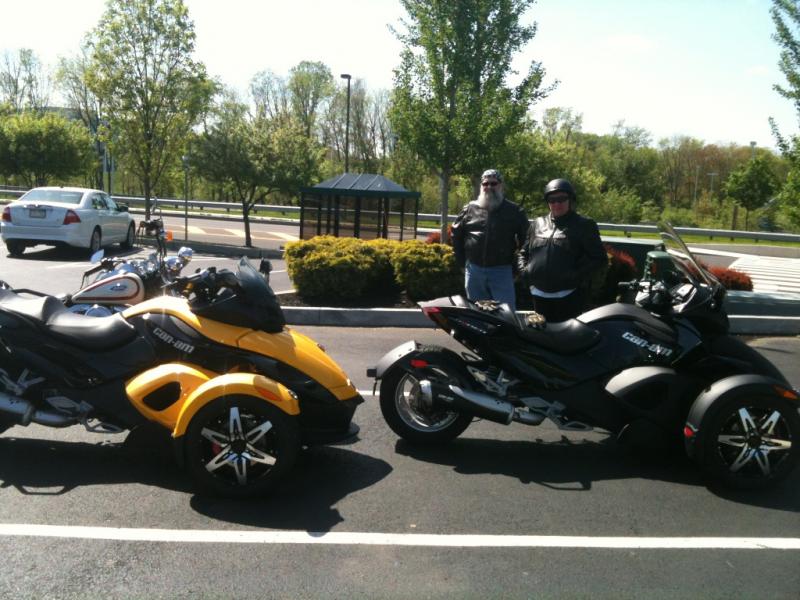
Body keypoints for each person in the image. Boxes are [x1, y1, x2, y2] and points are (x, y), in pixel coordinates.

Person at [518, 178, 607, 322]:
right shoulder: (537, 224)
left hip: (568, 296)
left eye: (561, 199)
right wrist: (525, 272)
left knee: (566, 339)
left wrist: (575, 276)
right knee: (542, 333)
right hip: (538, 294)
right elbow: (524, 252)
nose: (557, 203)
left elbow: (599, 258)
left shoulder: (584, 225)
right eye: (552, 200)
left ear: (570, 200)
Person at [451, 169, 530, 311]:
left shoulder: (514, 211)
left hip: (502, 271)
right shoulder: (469, 209)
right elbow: (456, 236)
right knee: (477, 314)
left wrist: (518, 267)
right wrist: (462, 262)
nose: (489, 187)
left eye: (493, 183)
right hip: (474, 271)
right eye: (485, 183)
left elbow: (527, 240)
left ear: (501, 185)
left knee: (507, 314)